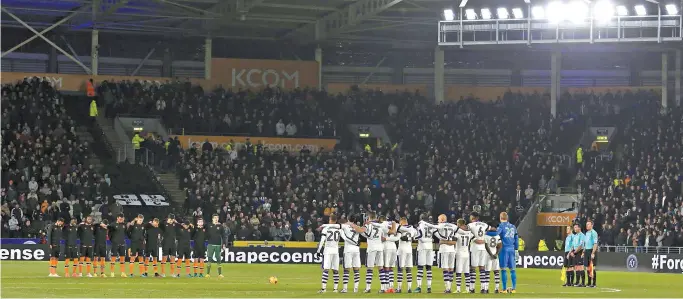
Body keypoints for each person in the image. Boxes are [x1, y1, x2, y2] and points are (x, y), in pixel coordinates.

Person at [348, 211, 390, 293]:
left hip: (372, 248)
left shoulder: (369, 224)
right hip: (380, 247)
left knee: (370, 268)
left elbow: (361, 230)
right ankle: (383, 288)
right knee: (381, 268)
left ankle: (368, 288)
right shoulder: (380, 225)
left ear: (369, 217)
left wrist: (353, 225)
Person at [432, 214, 459, 294]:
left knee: (445, 268)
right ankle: (449, 287)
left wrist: (442, 240)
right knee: (451, 269)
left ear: (442, 219)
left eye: (439, 219)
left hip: (444, 249)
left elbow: (435, 232)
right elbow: (455, 238)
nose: (438, 221)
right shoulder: (453, 226)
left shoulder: (440, 225)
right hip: (452, 249)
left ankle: (447, 289)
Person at [316, 214, 341, 293]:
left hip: (328, 250)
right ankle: (335, 289)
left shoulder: (326, 228)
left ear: (330, 219)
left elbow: (322, 240)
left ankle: (323, 289)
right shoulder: (339, 229)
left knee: (326, 269)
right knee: (335, 270)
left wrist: (318, 250)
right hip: (335, 250)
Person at [467, 212, 491, 293]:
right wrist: (484, 238)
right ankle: (483, 288)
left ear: (474, 217)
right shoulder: (484, 224)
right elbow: (492, 229)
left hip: (475, 248)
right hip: (483, 248)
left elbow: (466, 231)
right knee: (482, 267)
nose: (470, 218)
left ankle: (472, 288)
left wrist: (474, 239)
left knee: (473, 268)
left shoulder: (470, 225)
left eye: (471, 217)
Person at [497, 212, 519, 293]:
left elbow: (496, 235)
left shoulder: (501, 226)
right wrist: (516, 249)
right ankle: (514, 289)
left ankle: (504, 289)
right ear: (507, 218)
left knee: (503, 269)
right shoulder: (513, 226)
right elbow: (516, 238)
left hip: (504, 249)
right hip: (512, 249)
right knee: (512, 269)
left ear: (500, 217)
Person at [414, 213, 435, 293]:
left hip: (422, 247)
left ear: (421, 218)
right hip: (430, 247)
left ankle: (419, 287)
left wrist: (414, 237)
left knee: (420, 268)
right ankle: (429, 287)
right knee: (429, 268)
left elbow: (419, 236)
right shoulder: (430, 225)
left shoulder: (420, 226)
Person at [339, 217, 361, 293]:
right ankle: (356, 288)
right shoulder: (357, 227)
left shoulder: (345, 226)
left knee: (346, 270)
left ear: (348, 219)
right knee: (356, 269)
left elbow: (341, 232)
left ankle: (345, 289)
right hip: (356, 249)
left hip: (348, 249)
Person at [396, 217, 417, 293]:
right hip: (409, 250)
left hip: (402, 250)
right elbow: (415, 236)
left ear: (401, 222)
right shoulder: (412, 229)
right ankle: (409, 288)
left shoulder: (400, 228)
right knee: (408, 270)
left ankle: (399, 288)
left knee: (400, 269)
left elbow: (396, 228)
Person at [381, 216, 400, 293]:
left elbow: (391, 233)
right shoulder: (395, 225)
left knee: (386, 267)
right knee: (391, 267)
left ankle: (386, 287)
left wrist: (386, 239)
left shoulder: (382, 225)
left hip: (386, 246)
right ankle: (391, 286)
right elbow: (397, 237)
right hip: (394, 246)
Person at [205, 214, 226, 278]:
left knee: (218, 259)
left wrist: (224, 244)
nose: (216, 219)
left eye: (217, 218)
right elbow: (204, 231)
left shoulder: (221, 226)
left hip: (218, 244)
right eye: (215, 218)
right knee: (209, 258)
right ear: (212, 219)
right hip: (210, 244)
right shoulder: (209, 225)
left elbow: (223, 235)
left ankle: (220, 274)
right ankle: (208, 273)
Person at [484, 228, 502, 293]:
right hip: (495, 255)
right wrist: (496, 254)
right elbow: (500, 245)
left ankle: (486, 289)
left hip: (487, 255)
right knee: (496, 272)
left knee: (487, 272)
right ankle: (496, 289)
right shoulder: (497, 236)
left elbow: (486, 246)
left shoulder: (485, 236)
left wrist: (491, 254)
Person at [569, 223, 586, 287]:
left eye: (576, 227)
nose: (574, 228)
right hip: (575, 252)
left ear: (579, 228)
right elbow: (573, 245)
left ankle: (583, 283)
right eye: (574, 227)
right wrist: (571, 252)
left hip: (579, 252)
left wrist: (575, 252)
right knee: (576, 267)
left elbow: (581, 246)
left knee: (581, 267)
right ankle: (577, 282)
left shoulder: (582, 235)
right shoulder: (575, 236)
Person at [584, 220, 599, 287]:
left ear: (592, 225)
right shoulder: (587, 233)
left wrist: (593, 252)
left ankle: (594, 283)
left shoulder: (594, 233)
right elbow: (586, 243)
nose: (587, 225)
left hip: (591, 250)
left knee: (592, 267)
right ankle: (589, 282)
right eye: (587, 224)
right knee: (587, 268)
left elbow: (595, 243)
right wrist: (583, 252)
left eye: (588, 224)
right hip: (587, 251)